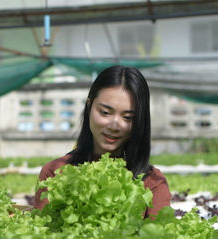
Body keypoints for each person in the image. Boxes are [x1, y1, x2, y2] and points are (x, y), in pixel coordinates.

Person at [34, 65, 171, 219]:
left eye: (127, 118)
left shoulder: (153, 183)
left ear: (139, 121)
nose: (114, 126)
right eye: (105, 112)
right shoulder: (55, 173)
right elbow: (43, 234)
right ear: (89, 106)